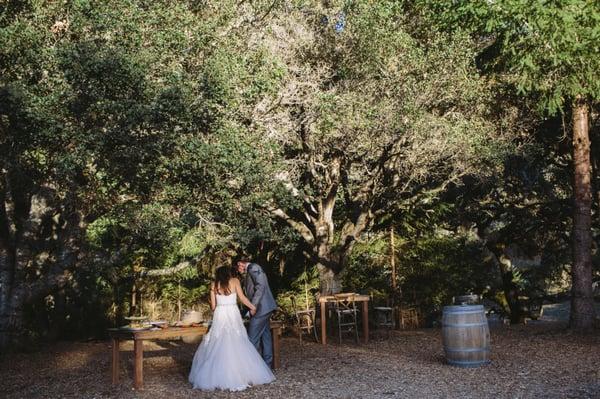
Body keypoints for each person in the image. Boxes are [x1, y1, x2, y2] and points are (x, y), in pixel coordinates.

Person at [188, 266, 275, 391]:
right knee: (237, 340)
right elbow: (242, 298)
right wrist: (252, 307)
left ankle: (217, 375)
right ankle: (241, 374)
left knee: (218, 342)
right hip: (232, 313)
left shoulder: (214, 284)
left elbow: (213, 307)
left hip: (220, 314)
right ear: (229, 273)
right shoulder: (235, 281)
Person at [236, 259, 278, 367]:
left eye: (238, 266)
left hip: (261, 308)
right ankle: (266, 366)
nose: (238, 269)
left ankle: (252, 368)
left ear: (241, 263)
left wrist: (253, 306)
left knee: (252, 339)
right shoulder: (250, 270)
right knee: (266, 337)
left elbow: (261, 286)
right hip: (265, 308)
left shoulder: (253, 267)